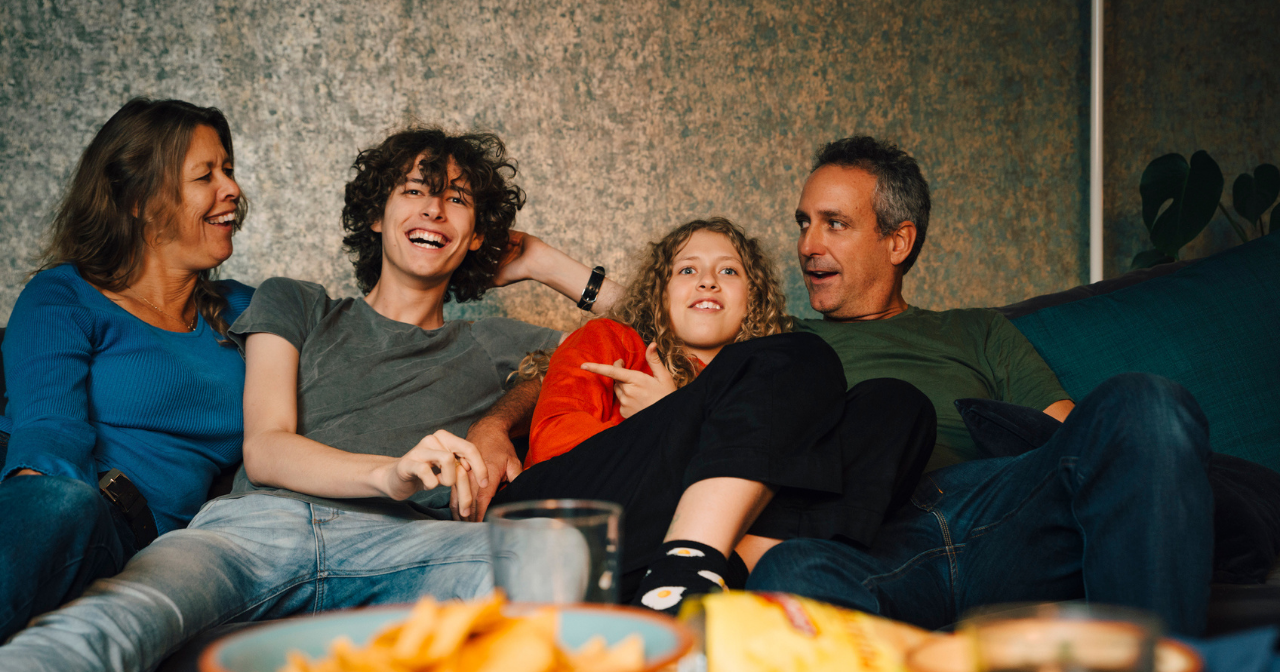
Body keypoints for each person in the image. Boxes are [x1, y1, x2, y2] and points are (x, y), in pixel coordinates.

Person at [0, 127, 614, 672]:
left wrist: (543, 264)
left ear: (477, 234)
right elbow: (264, 449)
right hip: (250, 530)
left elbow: (663, 341)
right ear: (376, 216)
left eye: (457, 199)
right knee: (119, 620)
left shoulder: (496, 342)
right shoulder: (292, 301)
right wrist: (390, 473)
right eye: (415, 190)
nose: (434, 207)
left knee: (546, 551)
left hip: (401, 543)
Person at [741, 136, 1214, 636]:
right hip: (866, 540)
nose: (809, 245)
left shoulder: (978, 331)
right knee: (788, 574)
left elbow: (1075, 443)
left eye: (834, 223)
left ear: (898, 241)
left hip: (999, 513)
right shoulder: (776, 339)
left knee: (1146, 403)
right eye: (804, 223)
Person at [494, 217, 937, 614]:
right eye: (687, 270)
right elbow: (556, 447)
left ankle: (708, 584)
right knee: (802, 354)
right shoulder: (612, 339)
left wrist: (675, 414)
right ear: (660, 293)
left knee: (897, 404)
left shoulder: (774, 387)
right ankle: (685, 572)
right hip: (569, 513)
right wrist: (668, 416)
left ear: (753, 300)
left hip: (662, 545)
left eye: (728, 271)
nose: (707, 282)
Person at [0, 98, 253, 640]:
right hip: (64, 504)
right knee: (63, 502)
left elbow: (363, 340)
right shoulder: (64, 295)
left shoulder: (249, 312)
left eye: (228, 169)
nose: (231, 189)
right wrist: (46, 522)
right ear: (138, 200)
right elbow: (49, 431)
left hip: (147, 544)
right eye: (204, 175)